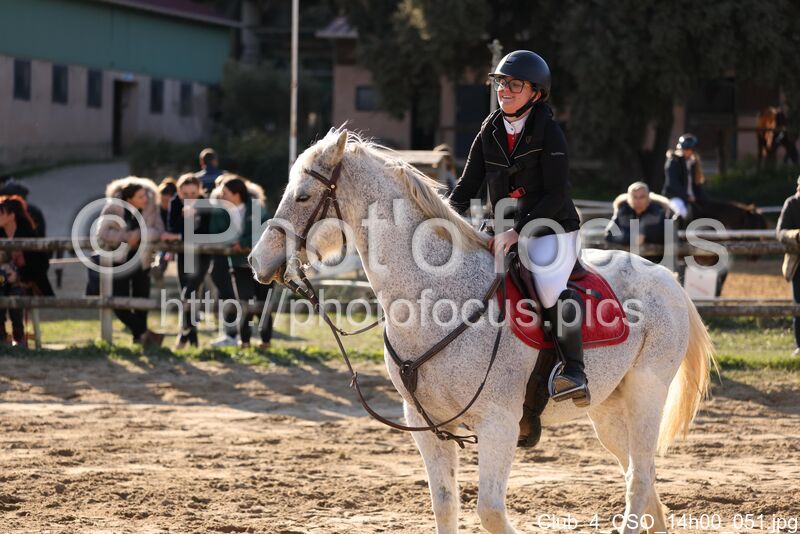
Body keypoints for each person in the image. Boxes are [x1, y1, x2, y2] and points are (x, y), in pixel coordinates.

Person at [447, 50, 588, 406]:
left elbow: (557, 194)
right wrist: (442, 220)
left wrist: (518, 232)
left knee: (549, 289)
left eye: (514, 84)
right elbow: (467, 186)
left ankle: (574, 370)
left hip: (552, 227)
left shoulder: (550, 132)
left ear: (536, 93)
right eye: (500, 83)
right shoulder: (490, 129)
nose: (504, 90)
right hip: (500, 228)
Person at [96, 177, 180, 346]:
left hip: (143, 260)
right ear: (129, 198)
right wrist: (126, 237)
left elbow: (159, 231)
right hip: (119, 261)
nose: (146, 199)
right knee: (118, 302)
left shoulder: (151, 208)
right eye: (141, 196)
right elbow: (102, 233)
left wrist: (140, 234)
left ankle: (139, 339)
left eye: (146, 195)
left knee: (142, 300)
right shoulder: (113, 207)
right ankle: (143, 332)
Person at [208, 176, 262, 348]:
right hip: (226, 261)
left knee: (254, 299)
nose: (220, 195)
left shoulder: (254, 208)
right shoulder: (220, 211)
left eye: (225, 192)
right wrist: (231, 242)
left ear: (236, 194)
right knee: (229, 297)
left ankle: (254, 337)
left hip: (253, 262)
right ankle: (231, 334)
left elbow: (262, 230)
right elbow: (214, 232)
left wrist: (243, 243)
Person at [0, 196, 52, 346]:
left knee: (16, 294)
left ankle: (19, 337)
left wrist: (19, 275)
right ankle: (1, 336)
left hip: (26, 282)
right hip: (2, 279)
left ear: (11, 215)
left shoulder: (27, 234)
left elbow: (41, 265)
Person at [168, 173, 212, 348]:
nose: (189, 197)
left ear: (199, 190)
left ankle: (184, 329)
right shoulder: (175, 203)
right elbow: (172, 228)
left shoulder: (206, 203)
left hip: (203, 255)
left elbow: (205, 232)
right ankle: (192, 340)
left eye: (193, 193)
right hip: (183, 254)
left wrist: (183, 233)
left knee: (189, 293)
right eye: (185, 194)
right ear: (179, 192)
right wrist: (184, 218)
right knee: (188, 294)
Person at [606, 182, 669, 262]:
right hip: (626, 260)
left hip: (654, 261)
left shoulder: (658, 211)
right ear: (629, 199)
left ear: (648, 198)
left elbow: (665, 235)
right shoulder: (623, 210)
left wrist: (645, 235)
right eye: (634, 197)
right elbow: (609, 234)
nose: (638, 200)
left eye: (642, 197)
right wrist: (631, 237)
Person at [777, 175, 800, 357]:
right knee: (798, 305)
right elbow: (780, 232)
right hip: (798, 263)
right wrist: (796, 235)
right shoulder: (791, 204)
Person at [662, 133, 702, 224]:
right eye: (683, 149)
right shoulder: (673, 161)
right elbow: (672, 184)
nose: (685, 151)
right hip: (675, 196)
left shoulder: (693, 163)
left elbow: (696, 184)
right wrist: (687, 196)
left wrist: (698, 197)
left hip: (692, 197)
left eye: (687, 149)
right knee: (680, 211)